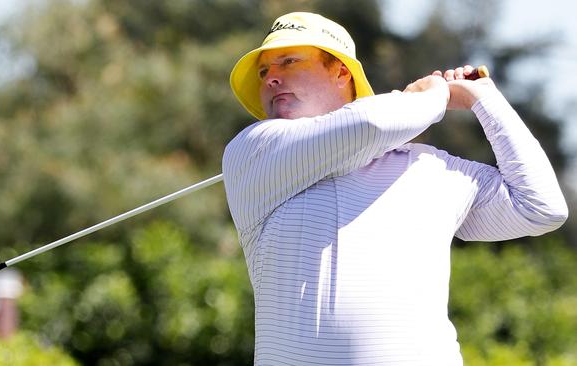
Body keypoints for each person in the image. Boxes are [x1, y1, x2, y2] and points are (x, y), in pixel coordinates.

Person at [222, 12, 568, 366]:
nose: (271, 79)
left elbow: (540, 207)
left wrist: (483, 99)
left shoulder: (432, 168)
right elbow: (371, 123)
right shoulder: (254, 151)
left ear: (341, 72)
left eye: (288, 62)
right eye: (264, 72)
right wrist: (434, 95)